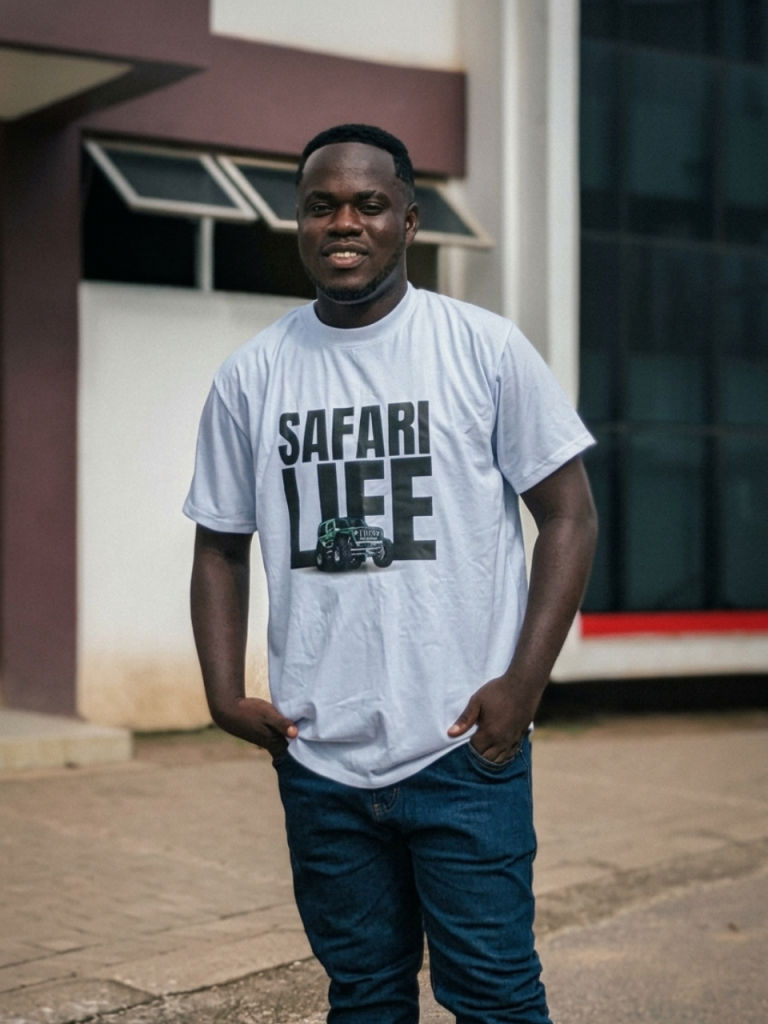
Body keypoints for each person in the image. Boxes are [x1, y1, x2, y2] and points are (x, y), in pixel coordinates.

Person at [185, 123, 598, 1024]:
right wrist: (222, 693)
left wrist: (522, 687)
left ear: (409, 220)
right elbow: (219, 544)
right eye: (321, 206)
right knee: (364, 998)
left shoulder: (482, 350)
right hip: (319, 754)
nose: (345, 222)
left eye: (369, 204)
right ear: (297, 224)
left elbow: (570, 517)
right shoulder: (252, 377)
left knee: (493, 995)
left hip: (462, 748)